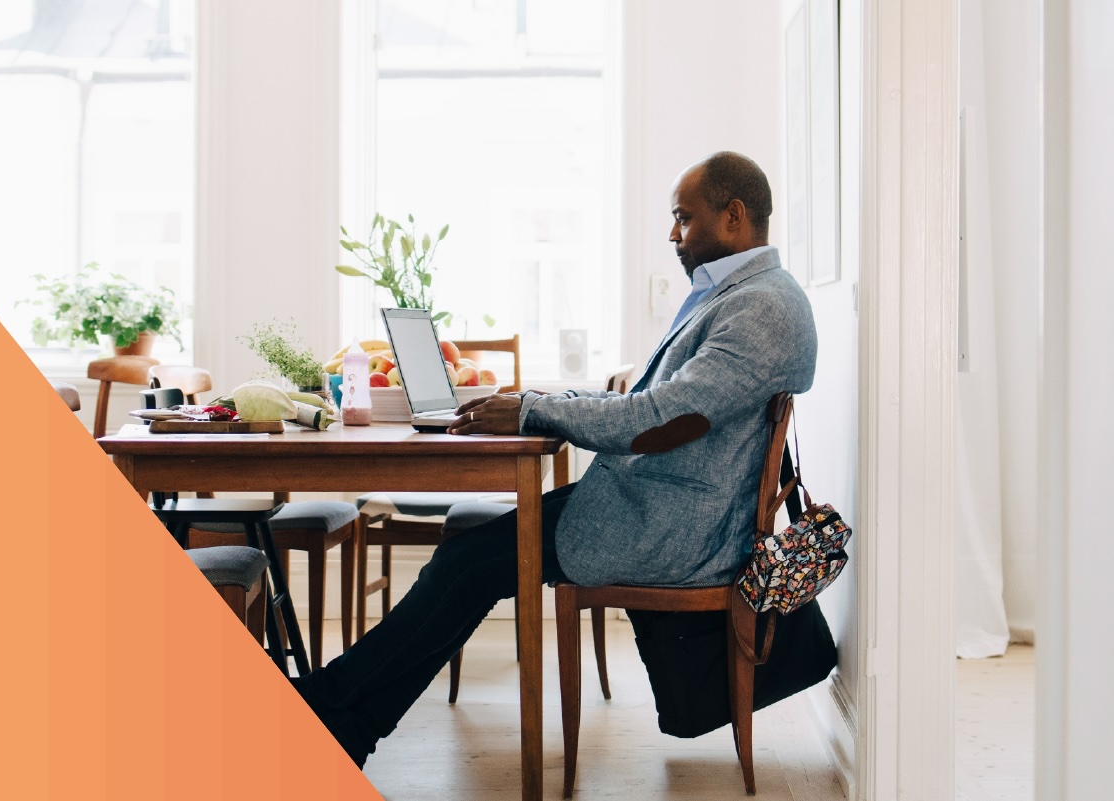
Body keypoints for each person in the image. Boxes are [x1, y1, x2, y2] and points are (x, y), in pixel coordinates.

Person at [292, 151, 818, 766]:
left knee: (466, 564)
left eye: (683, 218)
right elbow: (650, 404)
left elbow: (657, 422)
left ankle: (328, 711)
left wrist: (530, 413)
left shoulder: (763, 308)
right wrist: (540, 400)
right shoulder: (741, 296)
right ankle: (341, 723)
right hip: (656, 500)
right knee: (469, 560)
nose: (673, 235)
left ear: (733, 217)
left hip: (671, 525)